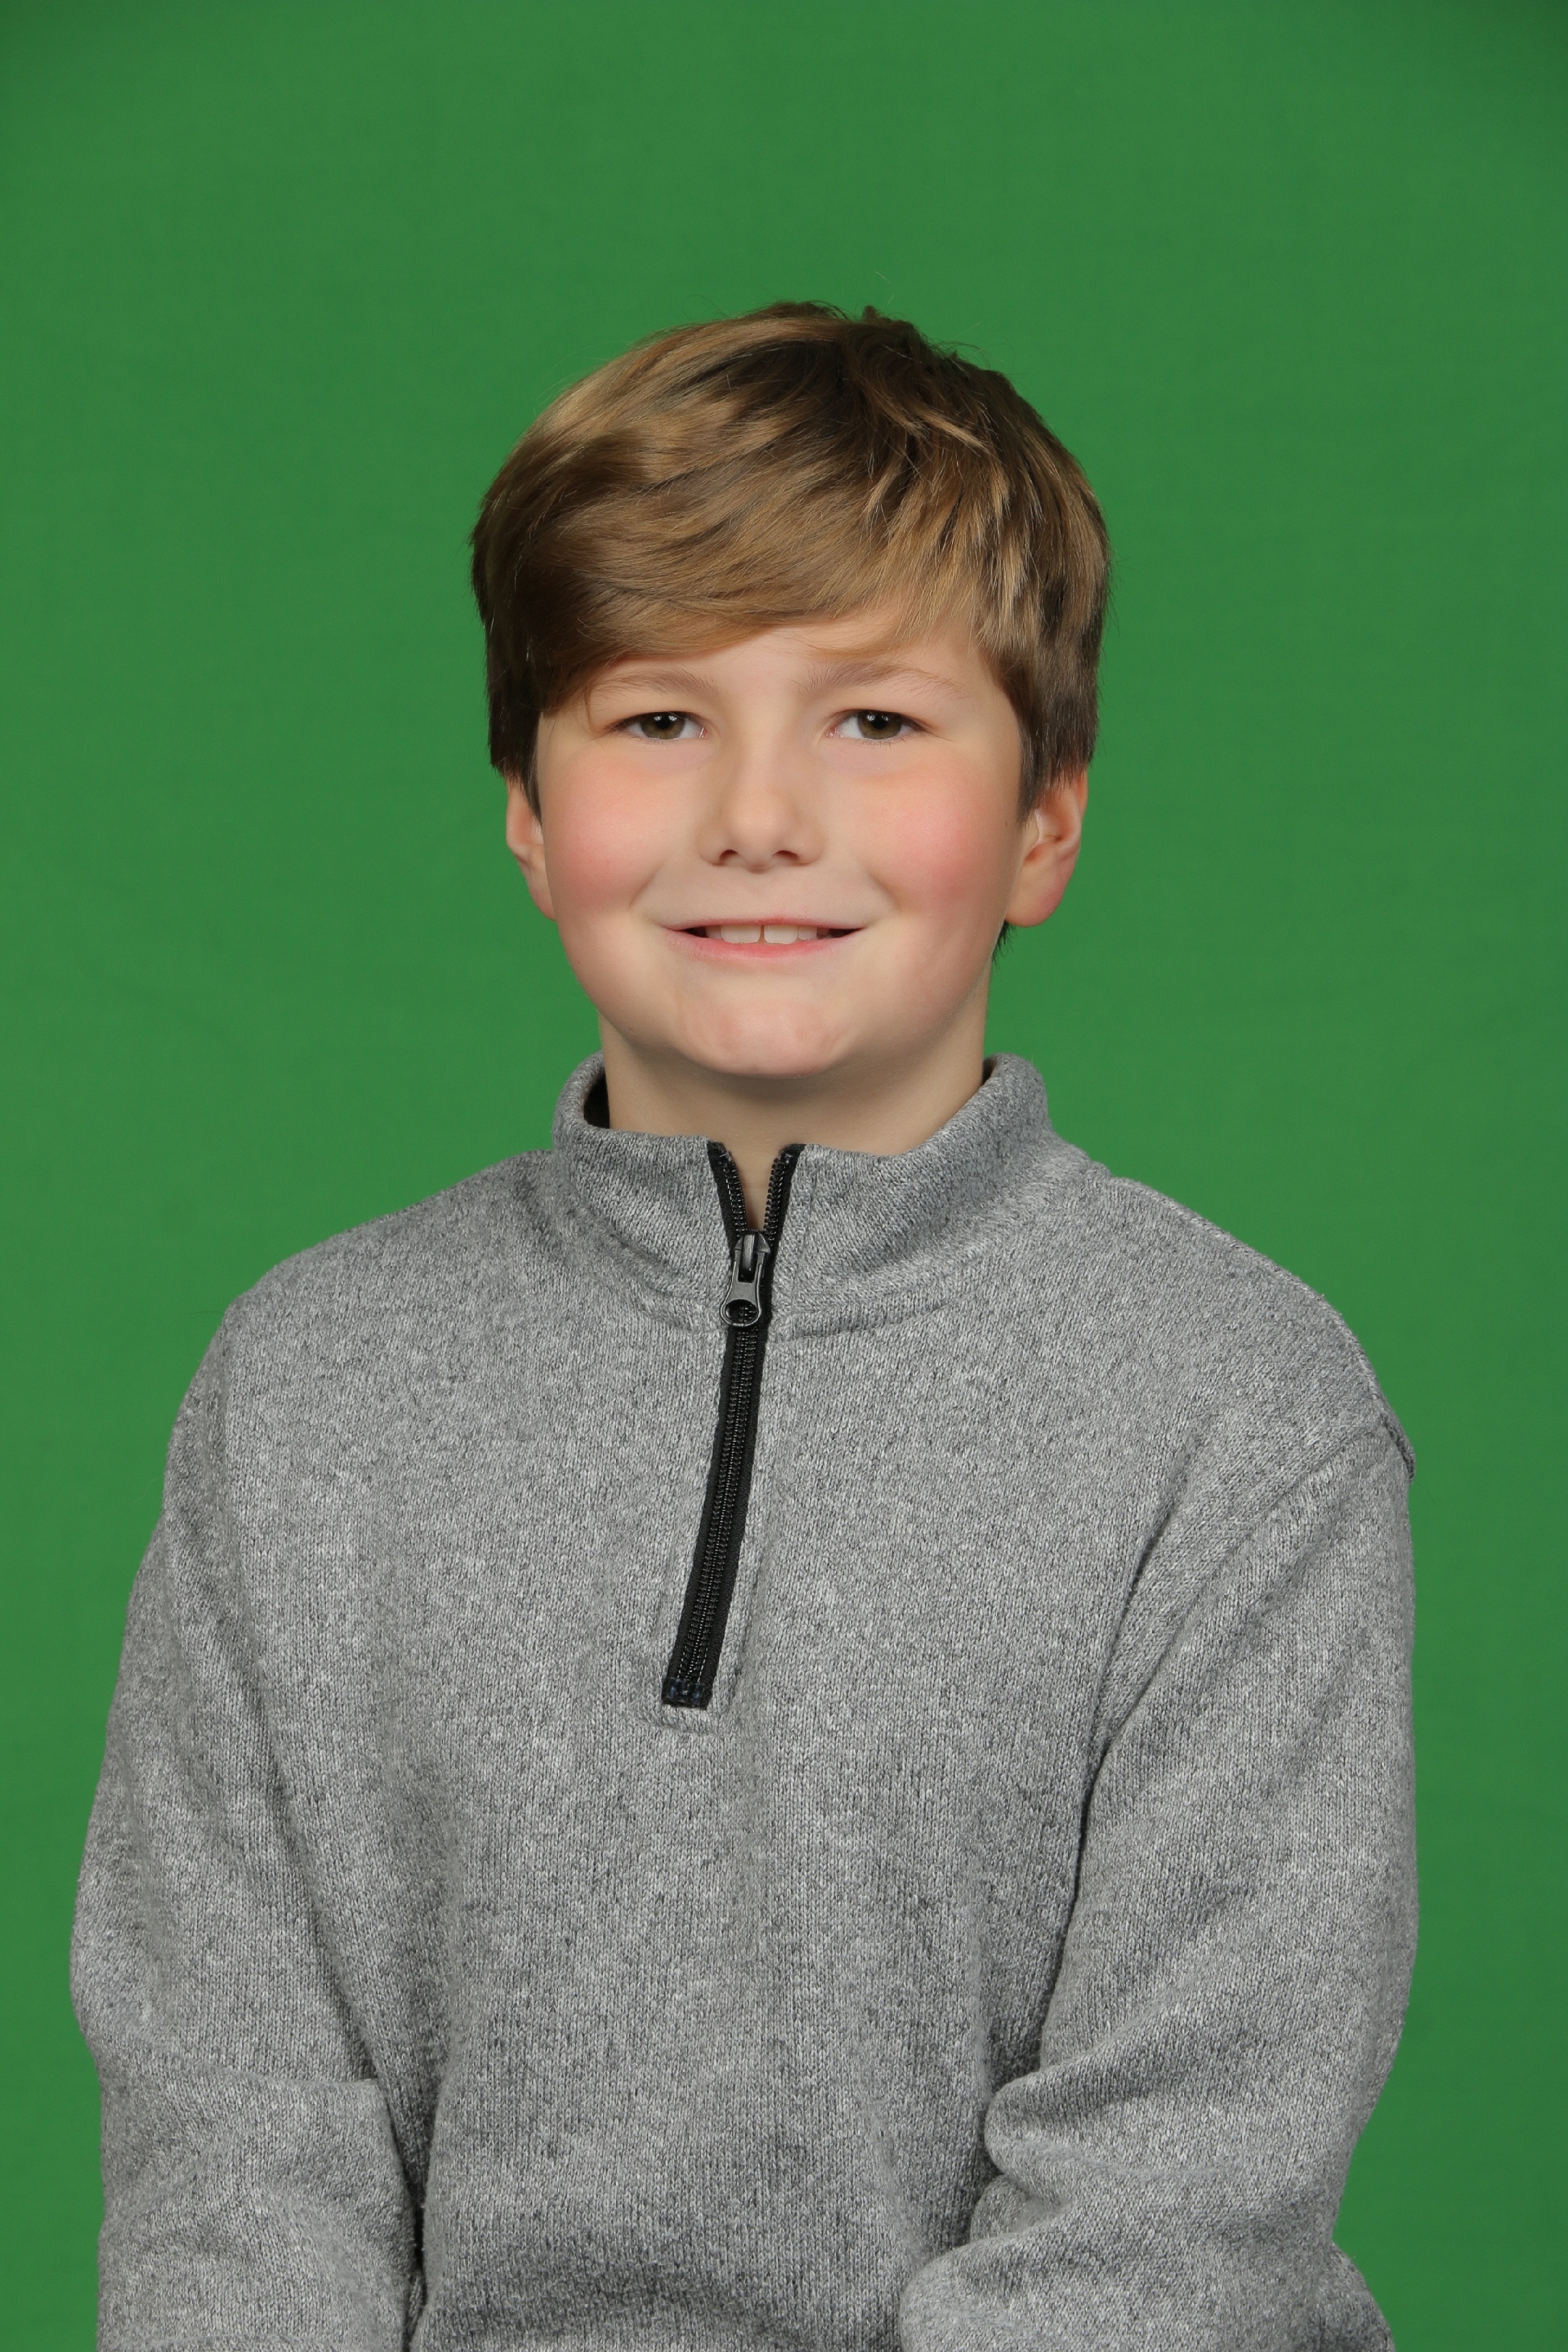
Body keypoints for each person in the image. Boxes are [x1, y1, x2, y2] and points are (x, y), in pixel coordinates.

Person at [72, 302, 1417, 2351]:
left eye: (873, 719)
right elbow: (233, 2162)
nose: (759, 814)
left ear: (1045, 818)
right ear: (529, 810)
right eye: (655, 720)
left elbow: (1180, 2201)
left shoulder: (1242, 1415)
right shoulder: (306, 1392)